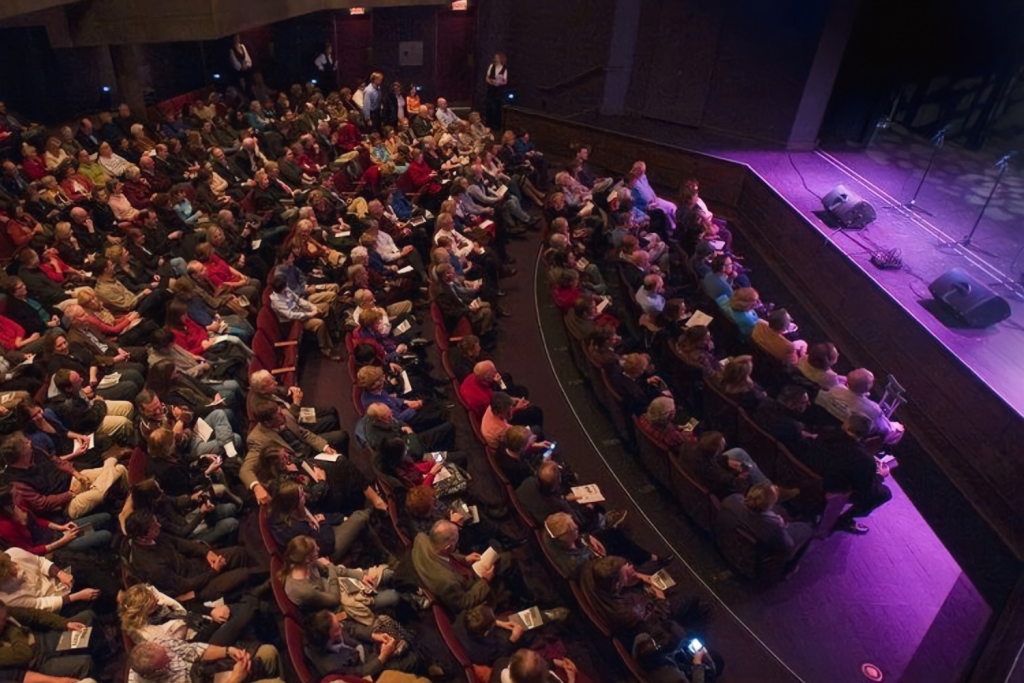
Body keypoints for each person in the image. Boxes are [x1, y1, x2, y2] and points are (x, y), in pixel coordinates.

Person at [1, 431, 128, 520]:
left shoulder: (35, 451)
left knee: (121, 469)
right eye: (26, 442)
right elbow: (41, 504)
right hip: (64, 505)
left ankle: (126, 498)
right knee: (97, 494)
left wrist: (76, 474)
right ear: (21, 453)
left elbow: (57, 461)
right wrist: (70, 494)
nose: (29, 441)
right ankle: (110, 461)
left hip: (72, 481)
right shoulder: (16, 482)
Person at [0, 599, 95, 682]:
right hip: (38, 664)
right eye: (3, 620)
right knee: (85, 663)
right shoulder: (10, 629)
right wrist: (12, 630)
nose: (6, 621)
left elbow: (34, 615)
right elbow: (24, 654)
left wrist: (65, 623)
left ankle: (102, 651)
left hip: (42, 639)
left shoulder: (5, 611)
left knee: (86, 617)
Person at [718, 483, 812, 565]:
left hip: (726, 543)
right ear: (771, 506)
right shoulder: (773, 527)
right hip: (759, 551)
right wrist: (782, 526)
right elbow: (788, 546)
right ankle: (790, 568)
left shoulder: (731, 499)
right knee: (806, 528)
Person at [127, 637, 285, 683]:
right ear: (155, 672)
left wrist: (228, 651)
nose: (169, 655)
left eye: (166, 652)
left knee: (268, 651)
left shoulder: (160, 644)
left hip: (206, 672)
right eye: (165, 661)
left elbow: (197, 651)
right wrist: (235, 679)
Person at [815, 368, 903, 444]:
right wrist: (896, 427)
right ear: (866, 388)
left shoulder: (836, 389)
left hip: (826, 424)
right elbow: (885, 428)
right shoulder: (873, 409)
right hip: (853, 433)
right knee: (897, 429)